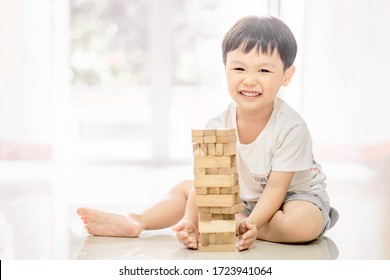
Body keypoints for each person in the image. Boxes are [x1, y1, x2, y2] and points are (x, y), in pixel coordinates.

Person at [77, 15, 339, 251]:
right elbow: (211, 182)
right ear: (225, 69)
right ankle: (136, 221)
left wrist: (250, 224)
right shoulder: (218, 123)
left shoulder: (291, 127)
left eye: (264, 70)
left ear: (287, 75)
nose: (249, 80)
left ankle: (233, 224)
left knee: (302, 224)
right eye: (239, 68)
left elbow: (276, 189)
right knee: (189, 189)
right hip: (243, 198)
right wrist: (191, 220)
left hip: (292, 199)